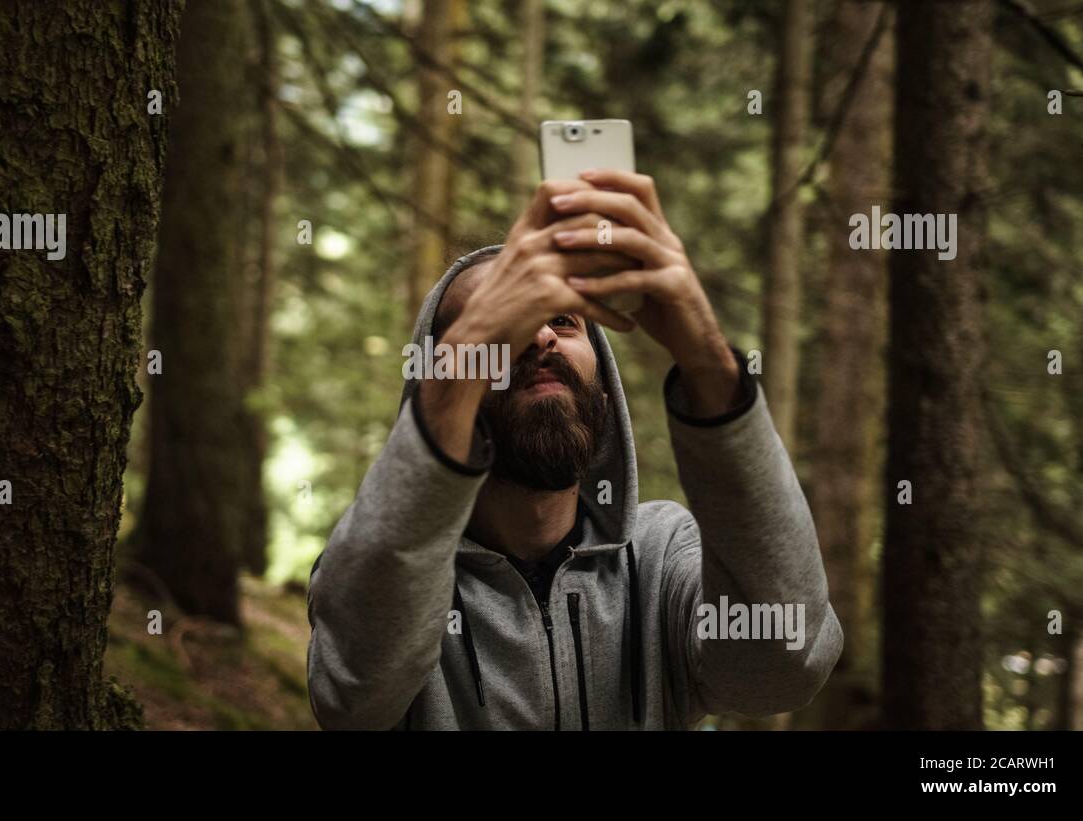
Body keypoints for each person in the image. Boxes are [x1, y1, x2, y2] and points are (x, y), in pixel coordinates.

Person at [306, 169, 842, 730]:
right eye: (502, 324)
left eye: (563, 321)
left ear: (605, 387)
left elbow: (785, 665)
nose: (539, 336)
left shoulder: (660, 559)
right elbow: (353, 699)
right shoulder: (374, 566)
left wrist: (704, 356)